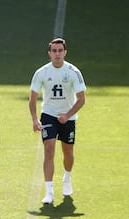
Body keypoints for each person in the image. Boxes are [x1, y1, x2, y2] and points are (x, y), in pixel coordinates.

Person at [29, 38, 86, 204]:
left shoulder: (73, 72)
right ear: (49, 53)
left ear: (65, 52)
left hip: (68, 117)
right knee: (49, 148)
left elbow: (82, 99)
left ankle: (67, 179)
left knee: (68, 152)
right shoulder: (41, 73)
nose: (57, 54)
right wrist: (34, 120)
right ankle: (49, 191)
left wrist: (67, 115)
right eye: (54, 51)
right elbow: (32, 99)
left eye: (60, 50)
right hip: (48, 115)